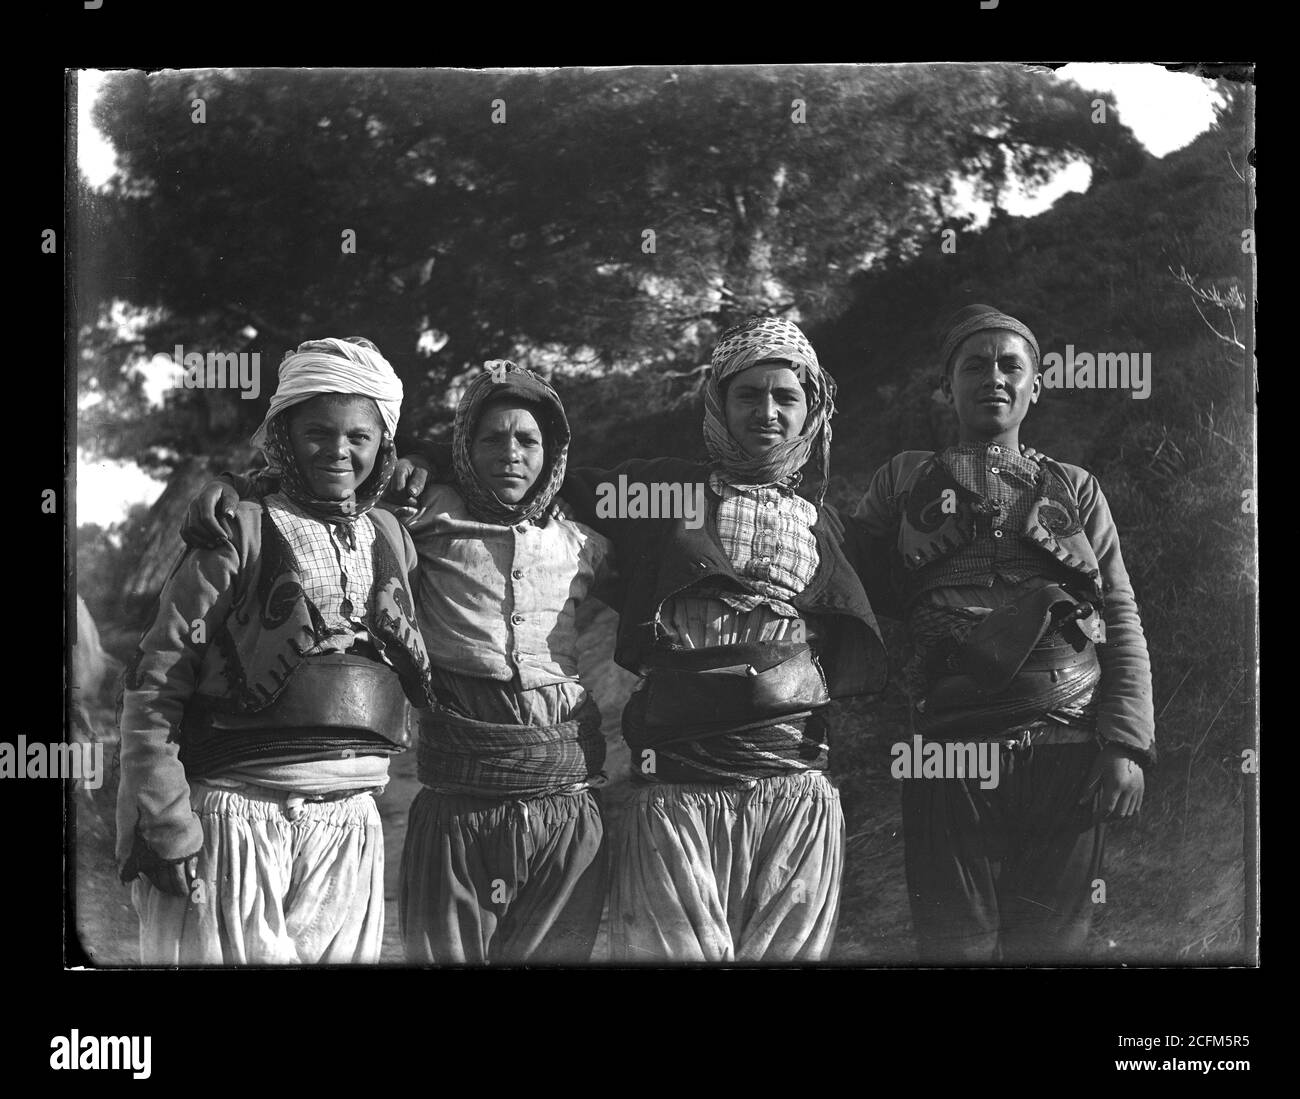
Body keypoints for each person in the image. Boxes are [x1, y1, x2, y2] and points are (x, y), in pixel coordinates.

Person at [393, 318, 885, 961]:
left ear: (812, 408)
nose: (766, 411)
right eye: (747, 395)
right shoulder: (663, 492)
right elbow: (543, 467)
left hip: (794, 783)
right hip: (680, 783)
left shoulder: (830, 525)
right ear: (717, 403)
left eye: (786, 397)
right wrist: (422, 459)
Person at [184, 362, 615, 964]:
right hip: (458, 798)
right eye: (491, 438)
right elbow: (326, 479)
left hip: (565, 792)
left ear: (554, 452)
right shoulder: (420, 514)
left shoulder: (587, 542)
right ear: (464, 446)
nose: (510, 454)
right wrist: (235, 485)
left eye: (528, 440)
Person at [848, 304, 1154, 963]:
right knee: (952, 944)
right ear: (946, 386)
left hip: (1067, 744)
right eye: (974, 365)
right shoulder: (904, 478)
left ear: (1035, 385)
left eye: (1011, 365)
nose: (994, 377)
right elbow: (848, 578)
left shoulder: (1075, 487)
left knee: (1051, 944)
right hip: (949, 750)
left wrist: (1124, 741)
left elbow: (1119, 616)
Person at [116, 336, 432, 965]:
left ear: (384, 446)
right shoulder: (236, 529)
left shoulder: (394, 533)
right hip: (238, 820)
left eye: (359, 438)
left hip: (351, 824)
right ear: (283, 433)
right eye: (317, 431)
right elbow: (156, 685)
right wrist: (169, 821)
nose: (338, 450)